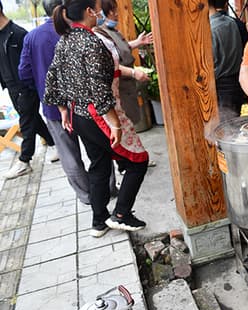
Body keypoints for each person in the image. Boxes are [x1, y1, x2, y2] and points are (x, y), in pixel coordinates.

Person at [45, 0, 149, 237]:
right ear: (89, 11)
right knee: (138, 160)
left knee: (99, 165)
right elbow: (99, 89)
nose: (100, 12)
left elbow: (52, 80)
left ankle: (99, 220)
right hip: (99, 115)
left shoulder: (65, 40)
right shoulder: (90, 42)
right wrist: (115, 124)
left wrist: (64, 110)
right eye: (98, 7)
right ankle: (121, 214)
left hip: (79, 114)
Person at [18, 0, 117, 204]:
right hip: (87, 107)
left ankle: (87, 196)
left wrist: (40, 85)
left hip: (55, 108)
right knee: (99, 151)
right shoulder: (79, 33)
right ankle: (107, 190)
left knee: (69, 156)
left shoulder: (32, 36)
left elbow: (24, 73)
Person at [1, 1, 58, 179]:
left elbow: (30, 63)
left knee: (26, 122)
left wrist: (30, 85)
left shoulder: (17, 34)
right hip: (11, 87)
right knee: (33, 119)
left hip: (25, 87)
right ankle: (54, 142)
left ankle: (24, 160)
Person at [208, 0, 247, 121]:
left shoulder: (211, 28)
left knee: (224, 130)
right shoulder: (232, 22)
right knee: (233, 127)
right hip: (236, 81)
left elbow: (210, 63)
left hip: (221, 86)